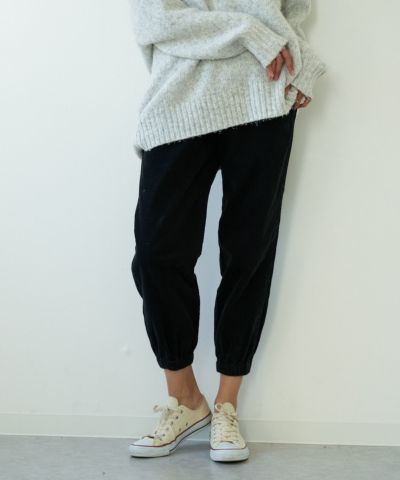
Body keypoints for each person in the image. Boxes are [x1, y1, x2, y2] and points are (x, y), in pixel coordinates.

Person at [127, 0, 327, 462]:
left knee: (248, 252)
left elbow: (294, 10)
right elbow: (154, 20)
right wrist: (249, 33)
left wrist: (300, 63)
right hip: (179, 98)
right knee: (157, 253)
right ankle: (186, 398)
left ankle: (226, 405)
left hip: (264, 93)